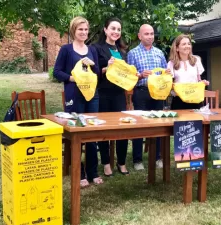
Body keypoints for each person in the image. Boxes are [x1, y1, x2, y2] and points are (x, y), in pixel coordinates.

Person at [53, 16, 103, 187]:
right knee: (77, 133)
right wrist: (72, 78)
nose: (83, 32)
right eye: (80, 29)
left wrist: (93, 65)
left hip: (92, 95)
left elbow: (97, 74)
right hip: (74, 95)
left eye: (85, 29)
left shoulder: (92, 50)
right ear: (73, 30)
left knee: (91, 133)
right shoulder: (66, 50)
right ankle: (80, 172)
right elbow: (57, 72)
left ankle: (93, 172)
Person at [127, 24, 171, 170]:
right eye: (146, 34)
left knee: (158, 124)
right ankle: (137, 160)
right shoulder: (132, 53)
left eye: (152, 34)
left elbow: (165, 73)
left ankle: (158, 157)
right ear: (140, 36)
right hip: (141, 92)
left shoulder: (159, 52)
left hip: (158, 93)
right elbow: (128, 77)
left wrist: (168, 74)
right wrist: (139, 75)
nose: (150, 36)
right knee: (140, 126)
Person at [92, 18, 129, 176]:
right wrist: (106, 67)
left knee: (122, 129)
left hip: (119, 94)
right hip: (103, 93)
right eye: (113, 28)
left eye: (119, 29)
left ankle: (121, 162)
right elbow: (93, 72)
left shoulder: (122, 51)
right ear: (105, 30)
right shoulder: (96, 48)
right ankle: (106, 163)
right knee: (104, 129)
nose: (116, 32)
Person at [168, 34, 210, 110]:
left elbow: (198, 79)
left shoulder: (196, 60)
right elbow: (169, 84)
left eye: (189, 44)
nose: (187, 46)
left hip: (195, 99)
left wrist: (202, 82)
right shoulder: (171, 63)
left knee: (197, 121)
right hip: (178, 100)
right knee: (179, 122)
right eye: (184, 44)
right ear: (177, 48)